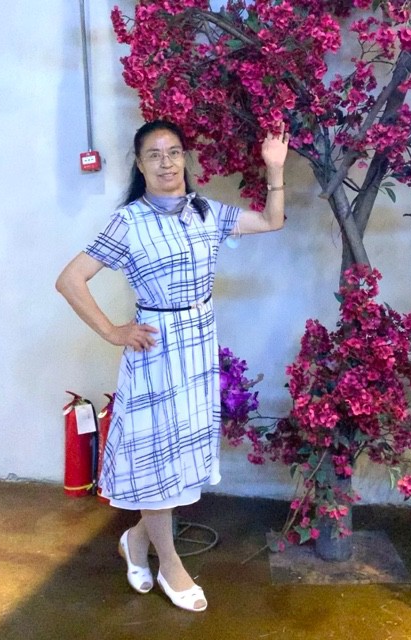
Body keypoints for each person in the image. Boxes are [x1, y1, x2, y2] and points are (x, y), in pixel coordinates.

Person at [56, 119, 288, 612]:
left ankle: (136, 540)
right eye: (154, 155)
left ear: (185, 157)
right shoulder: (129, 221)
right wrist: (113, 331)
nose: (166, 162)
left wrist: (275, 169)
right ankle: (171, 564)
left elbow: (272, 221)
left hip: (198, 343)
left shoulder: (205, 212)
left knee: (181, 458)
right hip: (155, 350)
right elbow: (71, 279)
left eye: (174, 152)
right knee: (155, 460)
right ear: (140, 166)